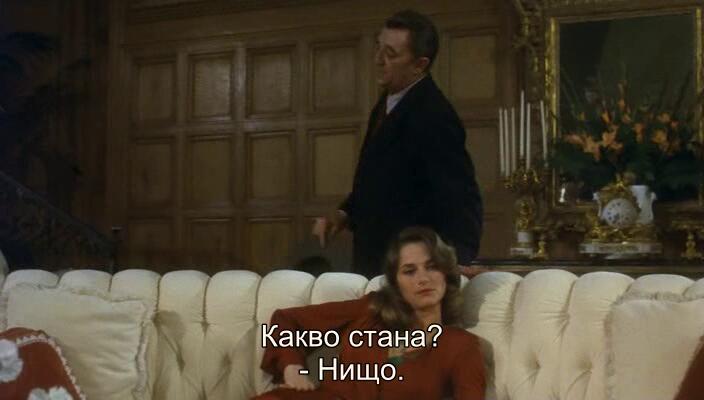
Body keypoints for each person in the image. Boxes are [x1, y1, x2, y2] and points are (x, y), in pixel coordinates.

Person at [312, 10, 483, 279]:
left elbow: (460, 197)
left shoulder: (434, 115)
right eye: (378, 48)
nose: (378, 60)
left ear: (419, 64)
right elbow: (382, 180)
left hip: (409, 269)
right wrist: (345, 213)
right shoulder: (387, 102)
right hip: (377, 260)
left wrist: (458, 259)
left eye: (390, 54)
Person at [253, 226, 486, 400]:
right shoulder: (372, 309)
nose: (423, 279)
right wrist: (293, 368)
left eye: (432, 267)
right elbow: (286, 321)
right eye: (409, 271)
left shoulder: (461, 345)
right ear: (396, 283)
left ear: (446, 273)